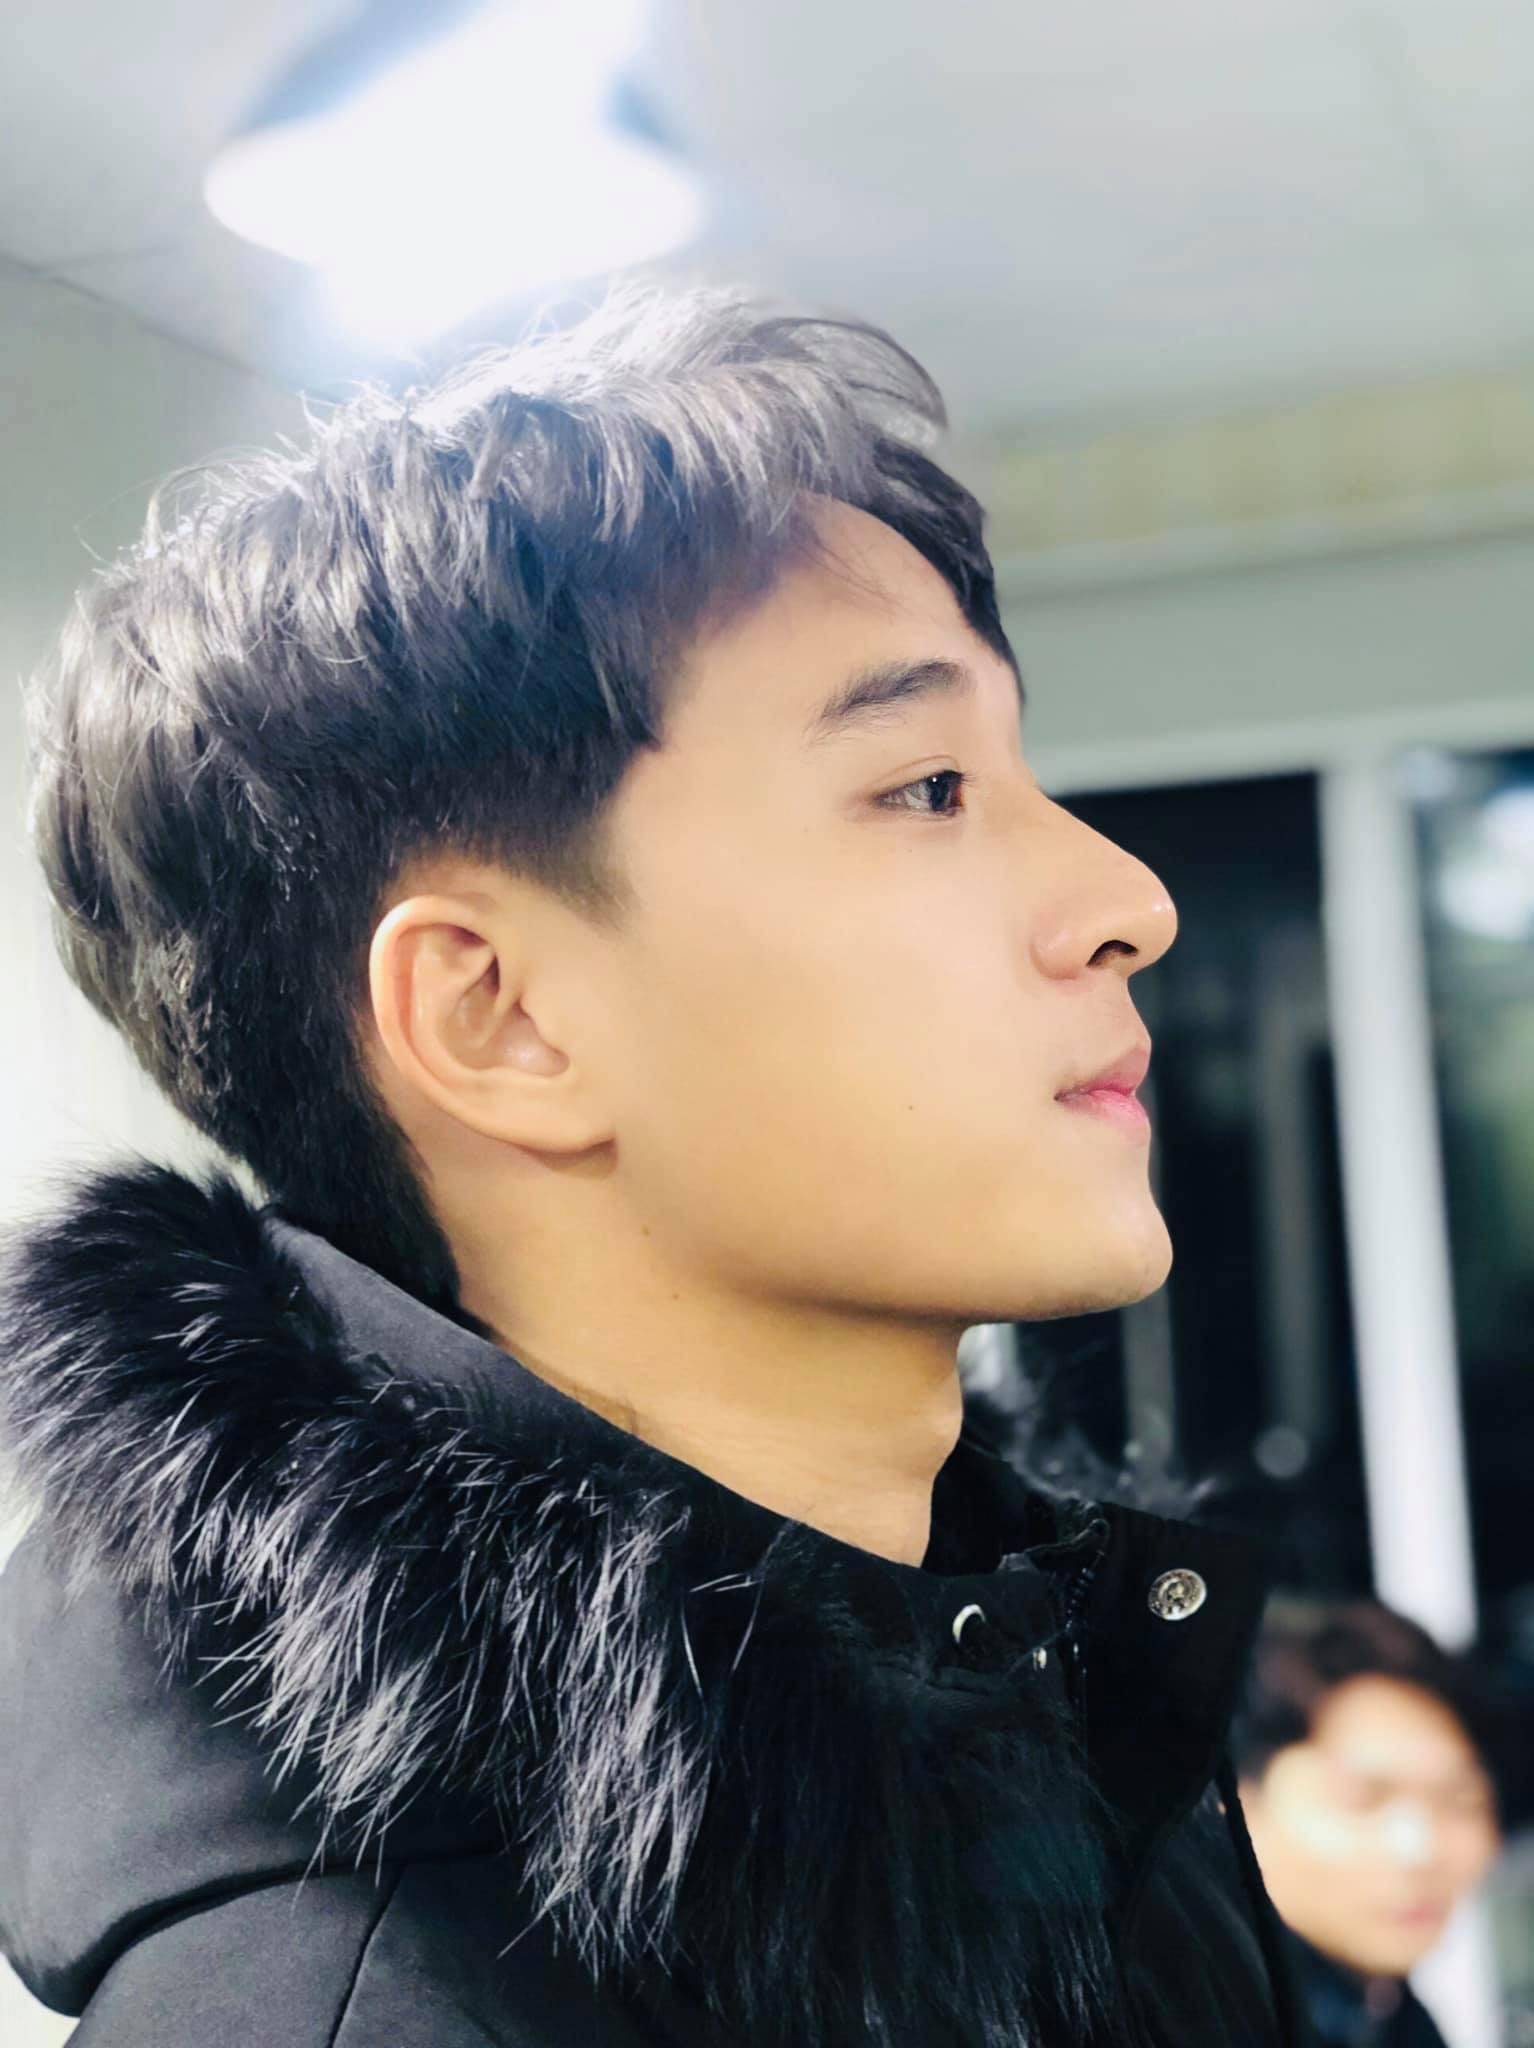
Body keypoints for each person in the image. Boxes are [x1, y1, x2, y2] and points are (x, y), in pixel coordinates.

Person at [0, 282, 1304, 2046]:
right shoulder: (359, 2008)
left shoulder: (1036, 1685)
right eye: (924, 786)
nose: (1124, 900)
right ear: (499, 1017)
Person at [1234, 1597, 1503, 2047]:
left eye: (1462, 1800)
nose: (1421, 1849)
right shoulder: (1170, 2012)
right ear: (1235, 1805)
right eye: (1361, 1799)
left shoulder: (1391, 2020)